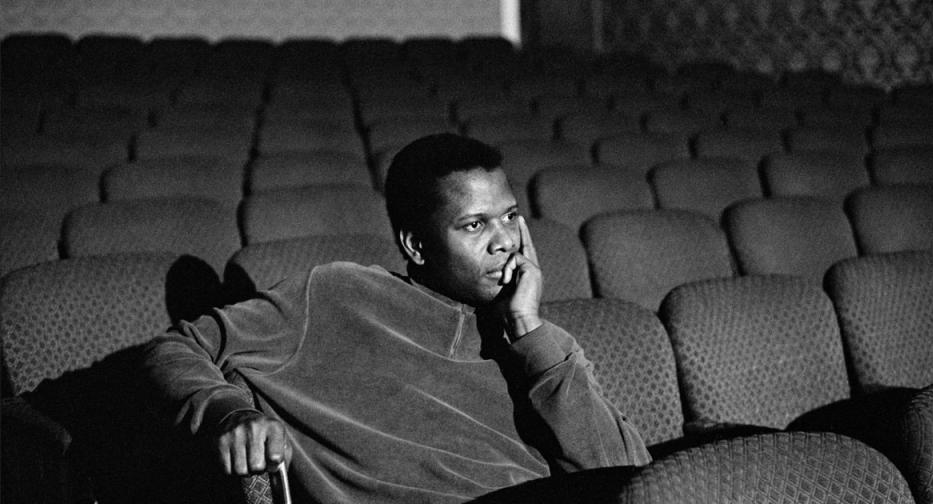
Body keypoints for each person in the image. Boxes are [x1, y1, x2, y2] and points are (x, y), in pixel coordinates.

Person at [143, 133, 651, 503]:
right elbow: (177, 348)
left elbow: (626, 477)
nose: (506, 241)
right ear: (417, 246)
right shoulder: (337, 294)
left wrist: (526, 328)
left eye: (511, 216)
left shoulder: (540, 343)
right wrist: (227, 412)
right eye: (475, 225)